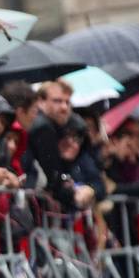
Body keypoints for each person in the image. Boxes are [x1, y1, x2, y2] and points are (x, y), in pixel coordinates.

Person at [26, 80, 94, 211]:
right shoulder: (43, 128)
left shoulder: (56, 128)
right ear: (41, 102)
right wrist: (75, 195)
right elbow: (52, 177)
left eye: (67, 102)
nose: (64, 107)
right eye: (57, 101)